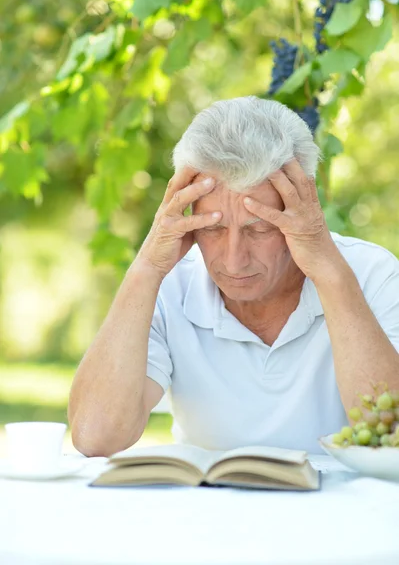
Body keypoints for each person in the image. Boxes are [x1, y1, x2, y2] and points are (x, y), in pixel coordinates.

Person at [68, 96, 399, 456]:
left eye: (259, 229)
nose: (234, 260)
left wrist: (330, 275)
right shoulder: (170, 286)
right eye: (213, 229)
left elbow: (387, 431)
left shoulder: (372, 275)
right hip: (209, 508)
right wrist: (145, 269)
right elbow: (95, 437)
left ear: (304, 208)